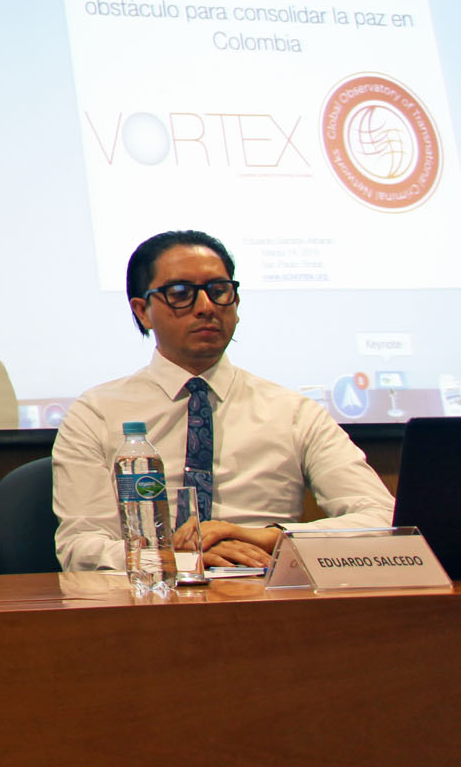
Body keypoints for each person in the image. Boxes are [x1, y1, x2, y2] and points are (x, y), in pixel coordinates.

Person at [52, 230, 394, 571]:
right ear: (143, 311)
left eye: (219, 291)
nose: (206, 307)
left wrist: (269, 537)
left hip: (267, 587)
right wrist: (175, 560)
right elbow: (80, 547)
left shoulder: (292, 412)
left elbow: (383, 518)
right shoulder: (97, 413)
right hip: (150, 591)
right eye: (181, 294)